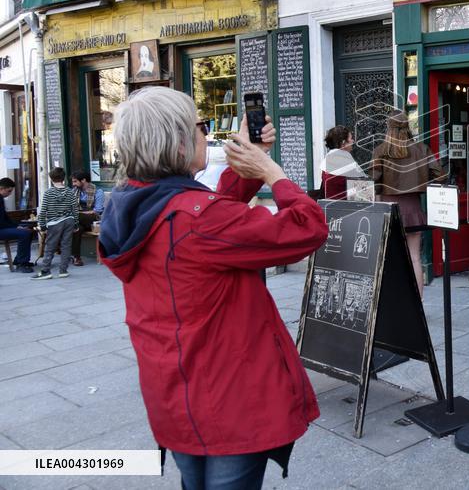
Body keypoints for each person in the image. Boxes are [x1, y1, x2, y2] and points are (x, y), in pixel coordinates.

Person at [97, 87, 327, 489]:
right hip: (227, 397)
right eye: (199, 127)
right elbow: (307, 228)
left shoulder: (131, 203)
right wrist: (271, 171)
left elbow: (204, 222)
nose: (206, 135)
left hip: (174, 390)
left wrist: (246, 164)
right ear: (179, 142)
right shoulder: (198, 219)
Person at [372, 109, 444, 297]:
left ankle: (398, 303)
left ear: (388, 127)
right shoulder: (421, 149)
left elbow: (374, 183)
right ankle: (418, 303)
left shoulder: (380, 151)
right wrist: (421, 182)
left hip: (389, 210)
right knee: (415, 258)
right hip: (413, 209)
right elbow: (440, 176)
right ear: (407, 126)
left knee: (390, 259)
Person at [32, 167, 79, 280]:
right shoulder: (70, 191)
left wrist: (42, 225)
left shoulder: (48, 193)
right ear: (64, 178)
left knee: (50, 247)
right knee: (66, 246)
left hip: (54, 223)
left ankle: (45, 271)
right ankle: (63, 270)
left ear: (51, 178)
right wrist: (76, 223)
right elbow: (75, 209)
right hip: (69, 220)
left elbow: (43, 210)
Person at [69, 170, 105, 266]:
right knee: (78, 228)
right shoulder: (74, 191)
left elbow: (97, 210)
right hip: (79, 220)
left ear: (83, 180)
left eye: (75, 181)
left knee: (73, 217)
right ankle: (76, 257)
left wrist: (78, 213)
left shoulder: (98, 191)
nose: (73, 184)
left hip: (93, 220)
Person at [320, 125, 365, 200]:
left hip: (329, 205)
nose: (353, 141)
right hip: (346, 206)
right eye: (350, 138)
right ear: (343, 143)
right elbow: (364, 193)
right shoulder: (346, 163)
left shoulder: (327, 161)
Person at [0, 176, 34, 272]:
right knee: (25, 233)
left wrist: (17, 226)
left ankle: (19, 259)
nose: (10, 194)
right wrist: (17, 227)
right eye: (9, 191)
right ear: (1, 188)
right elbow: (1, 221)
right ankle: (22, 264)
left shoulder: (1, 198)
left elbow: (5, 217)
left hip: (2, 227)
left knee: (29, 231)